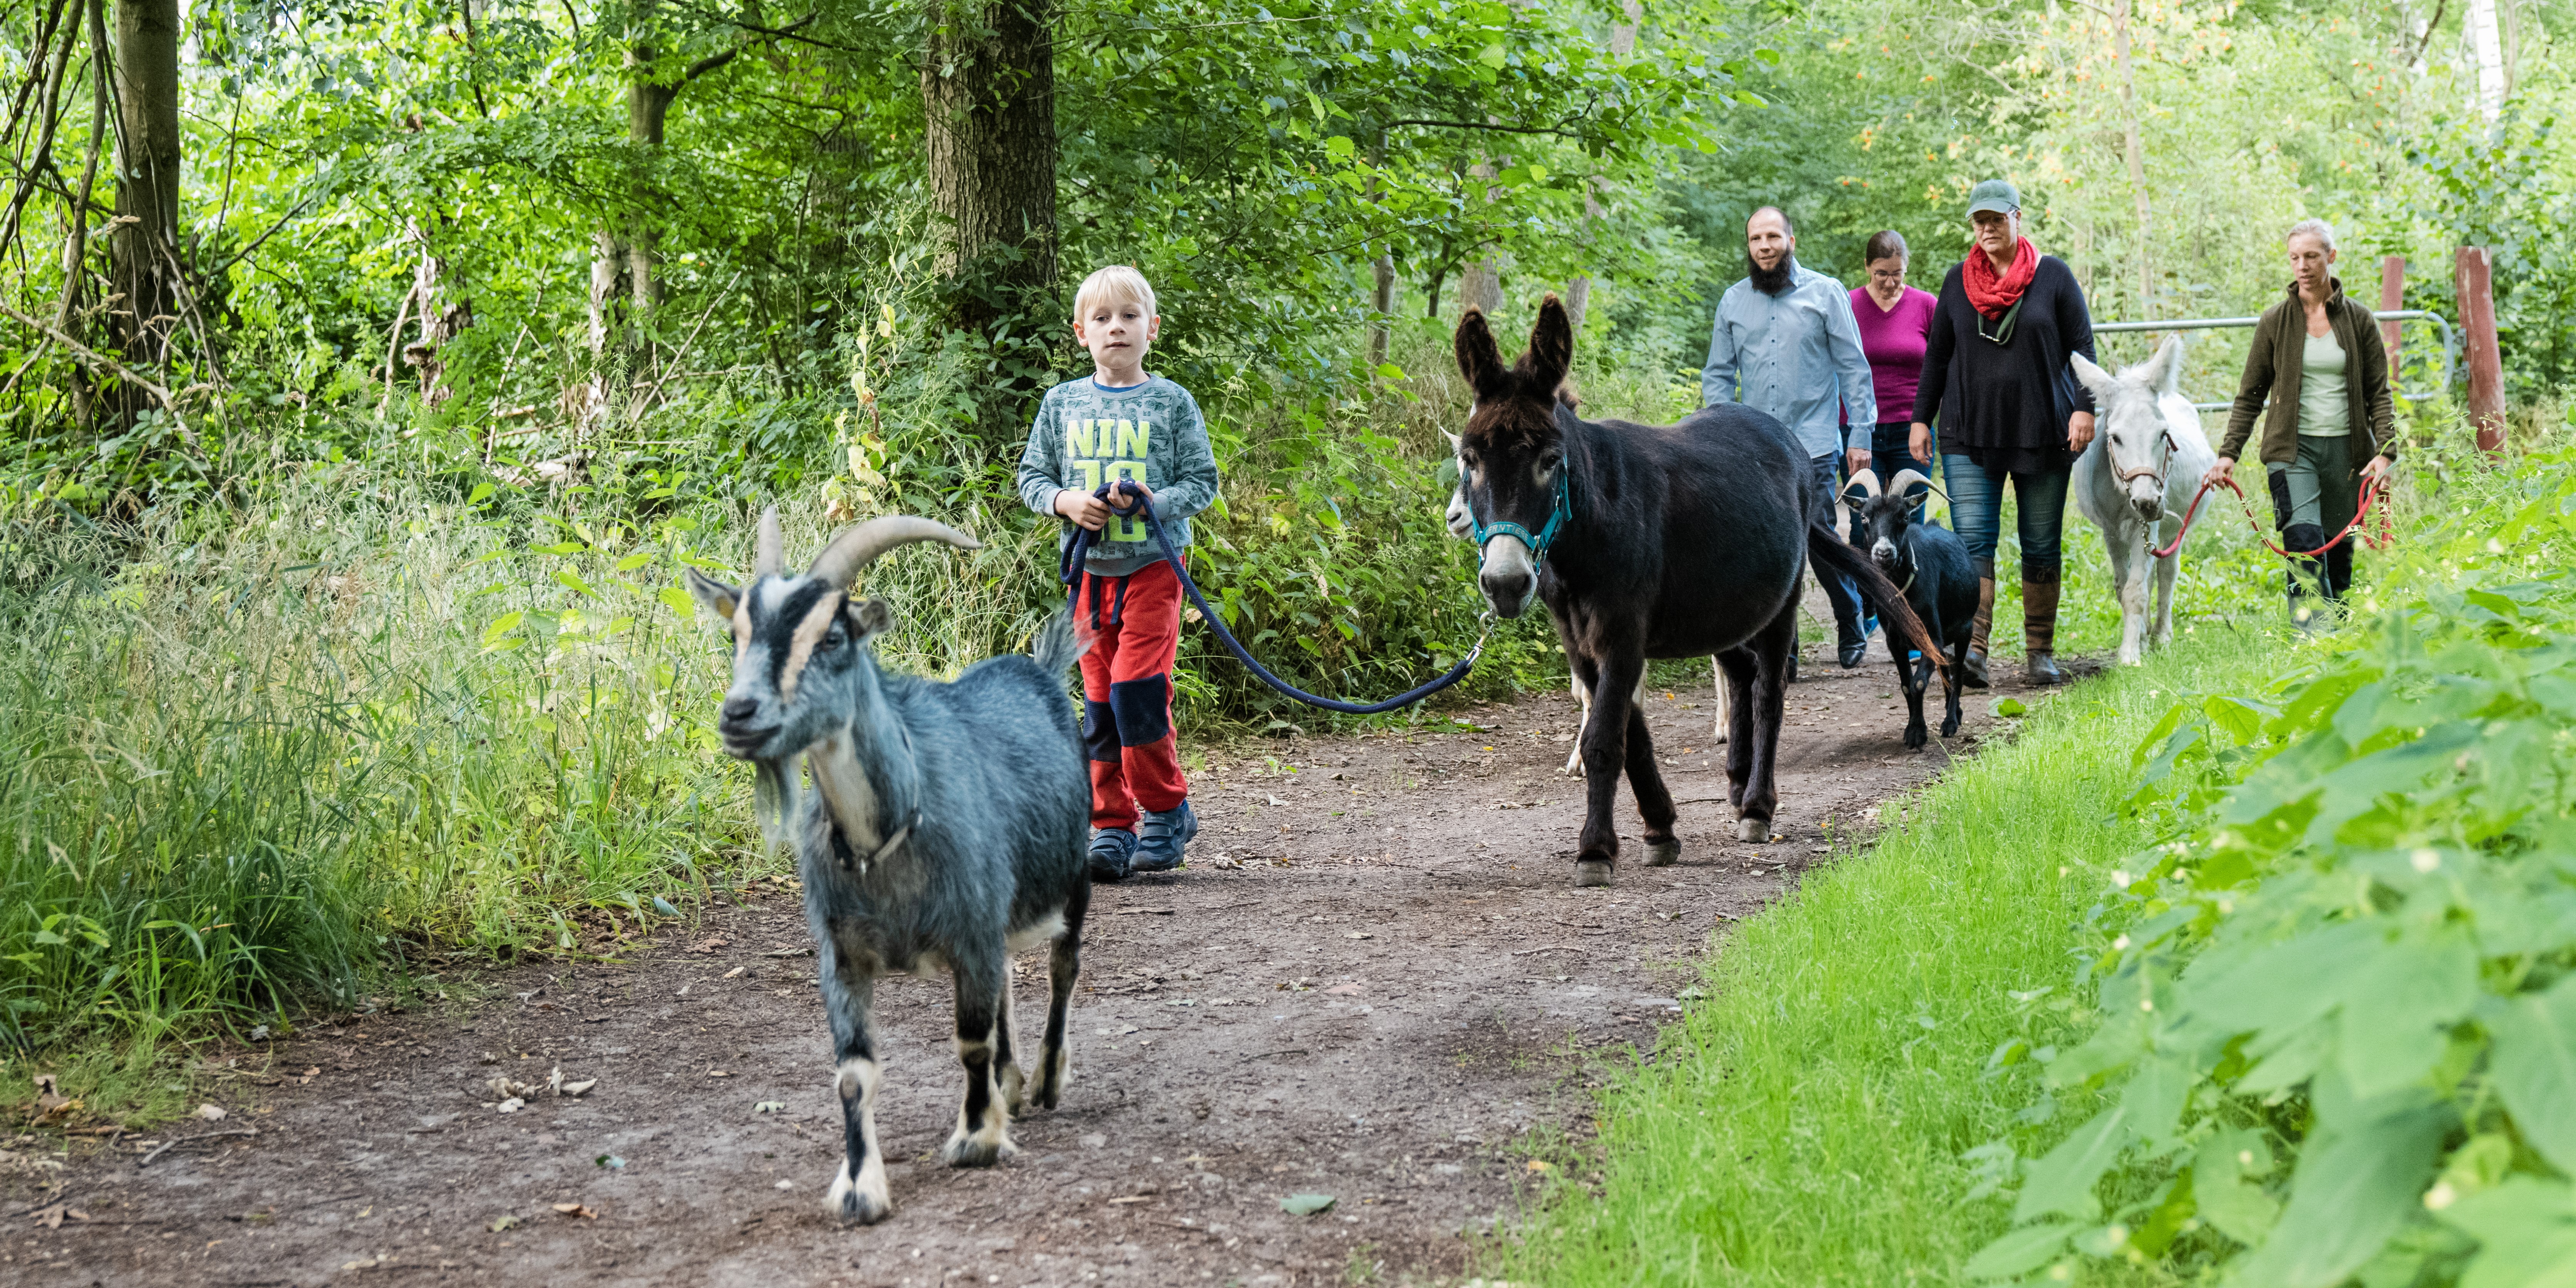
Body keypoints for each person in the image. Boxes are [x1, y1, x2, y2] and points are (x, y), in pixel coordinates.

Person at [1016, 265, 1222, 881]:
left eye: (1129, 317)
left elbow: (1202, 483)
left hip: (1155, 568)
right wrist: (1066, 502)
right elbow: (1033, 477)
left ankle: (1161, 810)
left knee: (1137, 691)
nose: (1116, 329)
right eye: (1102, 319)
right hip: (1090, 574)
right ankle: (1111, 825)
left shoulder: (1172, 402)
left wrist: (1153, 502)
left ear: (1151, 329)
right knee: (1101, 704)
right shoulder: (1062, 403)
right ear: (1081, 333)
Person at [1909, 179, 2098, 687]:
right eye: (1979, 221)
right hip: (1969, 434)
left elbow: (2083, 347)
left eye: (1996, 219)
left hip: (2045, 431)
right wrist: (1920, 419)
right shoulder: (1956, 282)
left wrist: (2084, 409)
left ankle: (2040, 652)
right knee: (1973, 545)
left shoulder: (2053, 276)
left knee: (2040, 544)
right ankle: (1974, 651)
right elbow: (1938, 357)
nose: (1987, 228)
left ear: (2018, 218)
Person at [1702, 205, 1881, 668]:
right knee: (1766, 550)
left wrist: (1860, 432)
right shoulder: (1732, 302)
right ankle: (1784, 648)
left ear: (1790, 241)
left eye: (1772, 238)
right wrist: (1716, 437)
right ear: (1748, 246)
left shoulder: (1826, 294)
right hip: (1752, 451)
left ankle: (1850, 618)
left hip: (1814, 444)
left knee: (1818, 538)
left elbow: (1853, 369)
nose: (1764, 246)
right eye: (1755, 239)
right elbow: (1718, 376)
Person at [2204, 219, 2396, 631]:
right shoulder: (2275, 322)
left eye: (2311, 256)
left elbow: (2379, 393)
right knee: (2303, 546)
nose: (2302, 266)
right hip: (2292, 454)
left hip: (2348, 455)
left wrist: (2385, 453)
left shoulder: (2359, 321)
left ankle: (2338, 637)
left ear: (2331, 256)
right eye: (2294, 257)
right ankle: (2312, 642)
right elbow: (2249, 395)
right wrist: (2227, 454)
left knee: (2339, 553)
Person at [1850, 229, 1939, 523]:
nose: (1889, 282)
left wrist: (1926, 420)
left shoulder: (1926, 305)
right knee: (1864, 522)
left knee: (1909, 522)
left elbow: (1942, 363)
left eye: (1897, 274)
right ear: (1866, 266)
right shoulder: (1848, 305)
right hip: (1861, 430)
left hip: (1912, 430)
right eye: (1881, 274)